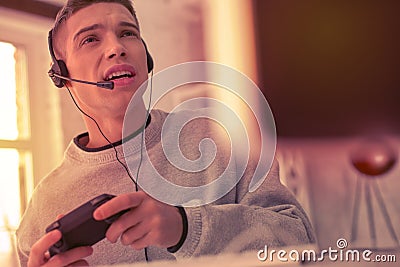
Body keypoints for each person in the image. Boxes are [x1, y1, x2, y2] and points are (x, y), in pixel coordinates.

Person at [16, 0, 315, 266]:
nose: (116, 48)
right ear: (62, 75)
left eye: (128, 33)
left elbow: (300, 241)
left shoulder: (222, 138)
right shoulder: (43, 207)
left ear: (146, 59)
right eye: (90, 39)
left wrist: (185, 228)